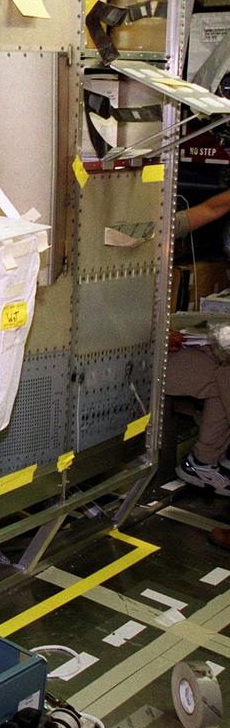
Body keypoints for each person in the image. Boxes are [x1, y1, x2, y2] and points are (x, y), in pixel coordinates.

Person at [166, 190, 230, 547]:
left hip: (175, 346)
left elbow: (210, 207)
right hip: (137, 361)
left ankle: (203, 463)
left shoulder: (159, 227)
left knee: (227, 369)